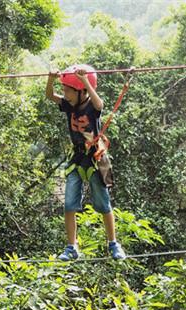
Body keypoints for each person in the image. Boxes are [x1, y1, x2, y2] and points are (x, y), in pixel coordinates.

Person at [46, 64, 126, 261]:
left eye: (67, 90)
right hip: (77, 157)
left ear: (81, 92)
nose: (64, 94)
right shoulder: (69, 105)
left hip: (95, 157)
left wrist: (84, 81)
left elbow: (99, 105)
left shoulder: (91, 106)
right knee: (69, 204)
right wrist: (51, 79)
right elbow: (50, 96)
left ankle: (113, 243)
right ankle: (71, 246)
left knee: (103, 202)